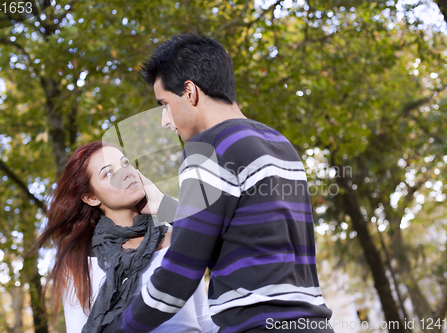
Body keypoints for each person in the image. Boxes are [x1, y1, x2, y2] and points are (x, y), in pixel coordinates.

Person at [103, 33, 334, 332]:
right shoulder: (279, 143)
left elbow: (179, 276)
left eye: (164, 103)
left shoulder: (207, 149)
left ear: (190, 92)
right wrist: (164, 205)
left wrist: (119, 327)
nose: (164, 120)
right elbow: (242, 229)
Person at [35, 141, 219, 333]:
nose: (126, 172)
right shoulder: (79, 261)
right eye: (108, 173)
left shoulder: (177, 237)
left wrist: (163, 205)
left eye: (125, 163)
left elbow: (202, 319)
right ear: (91, 198)